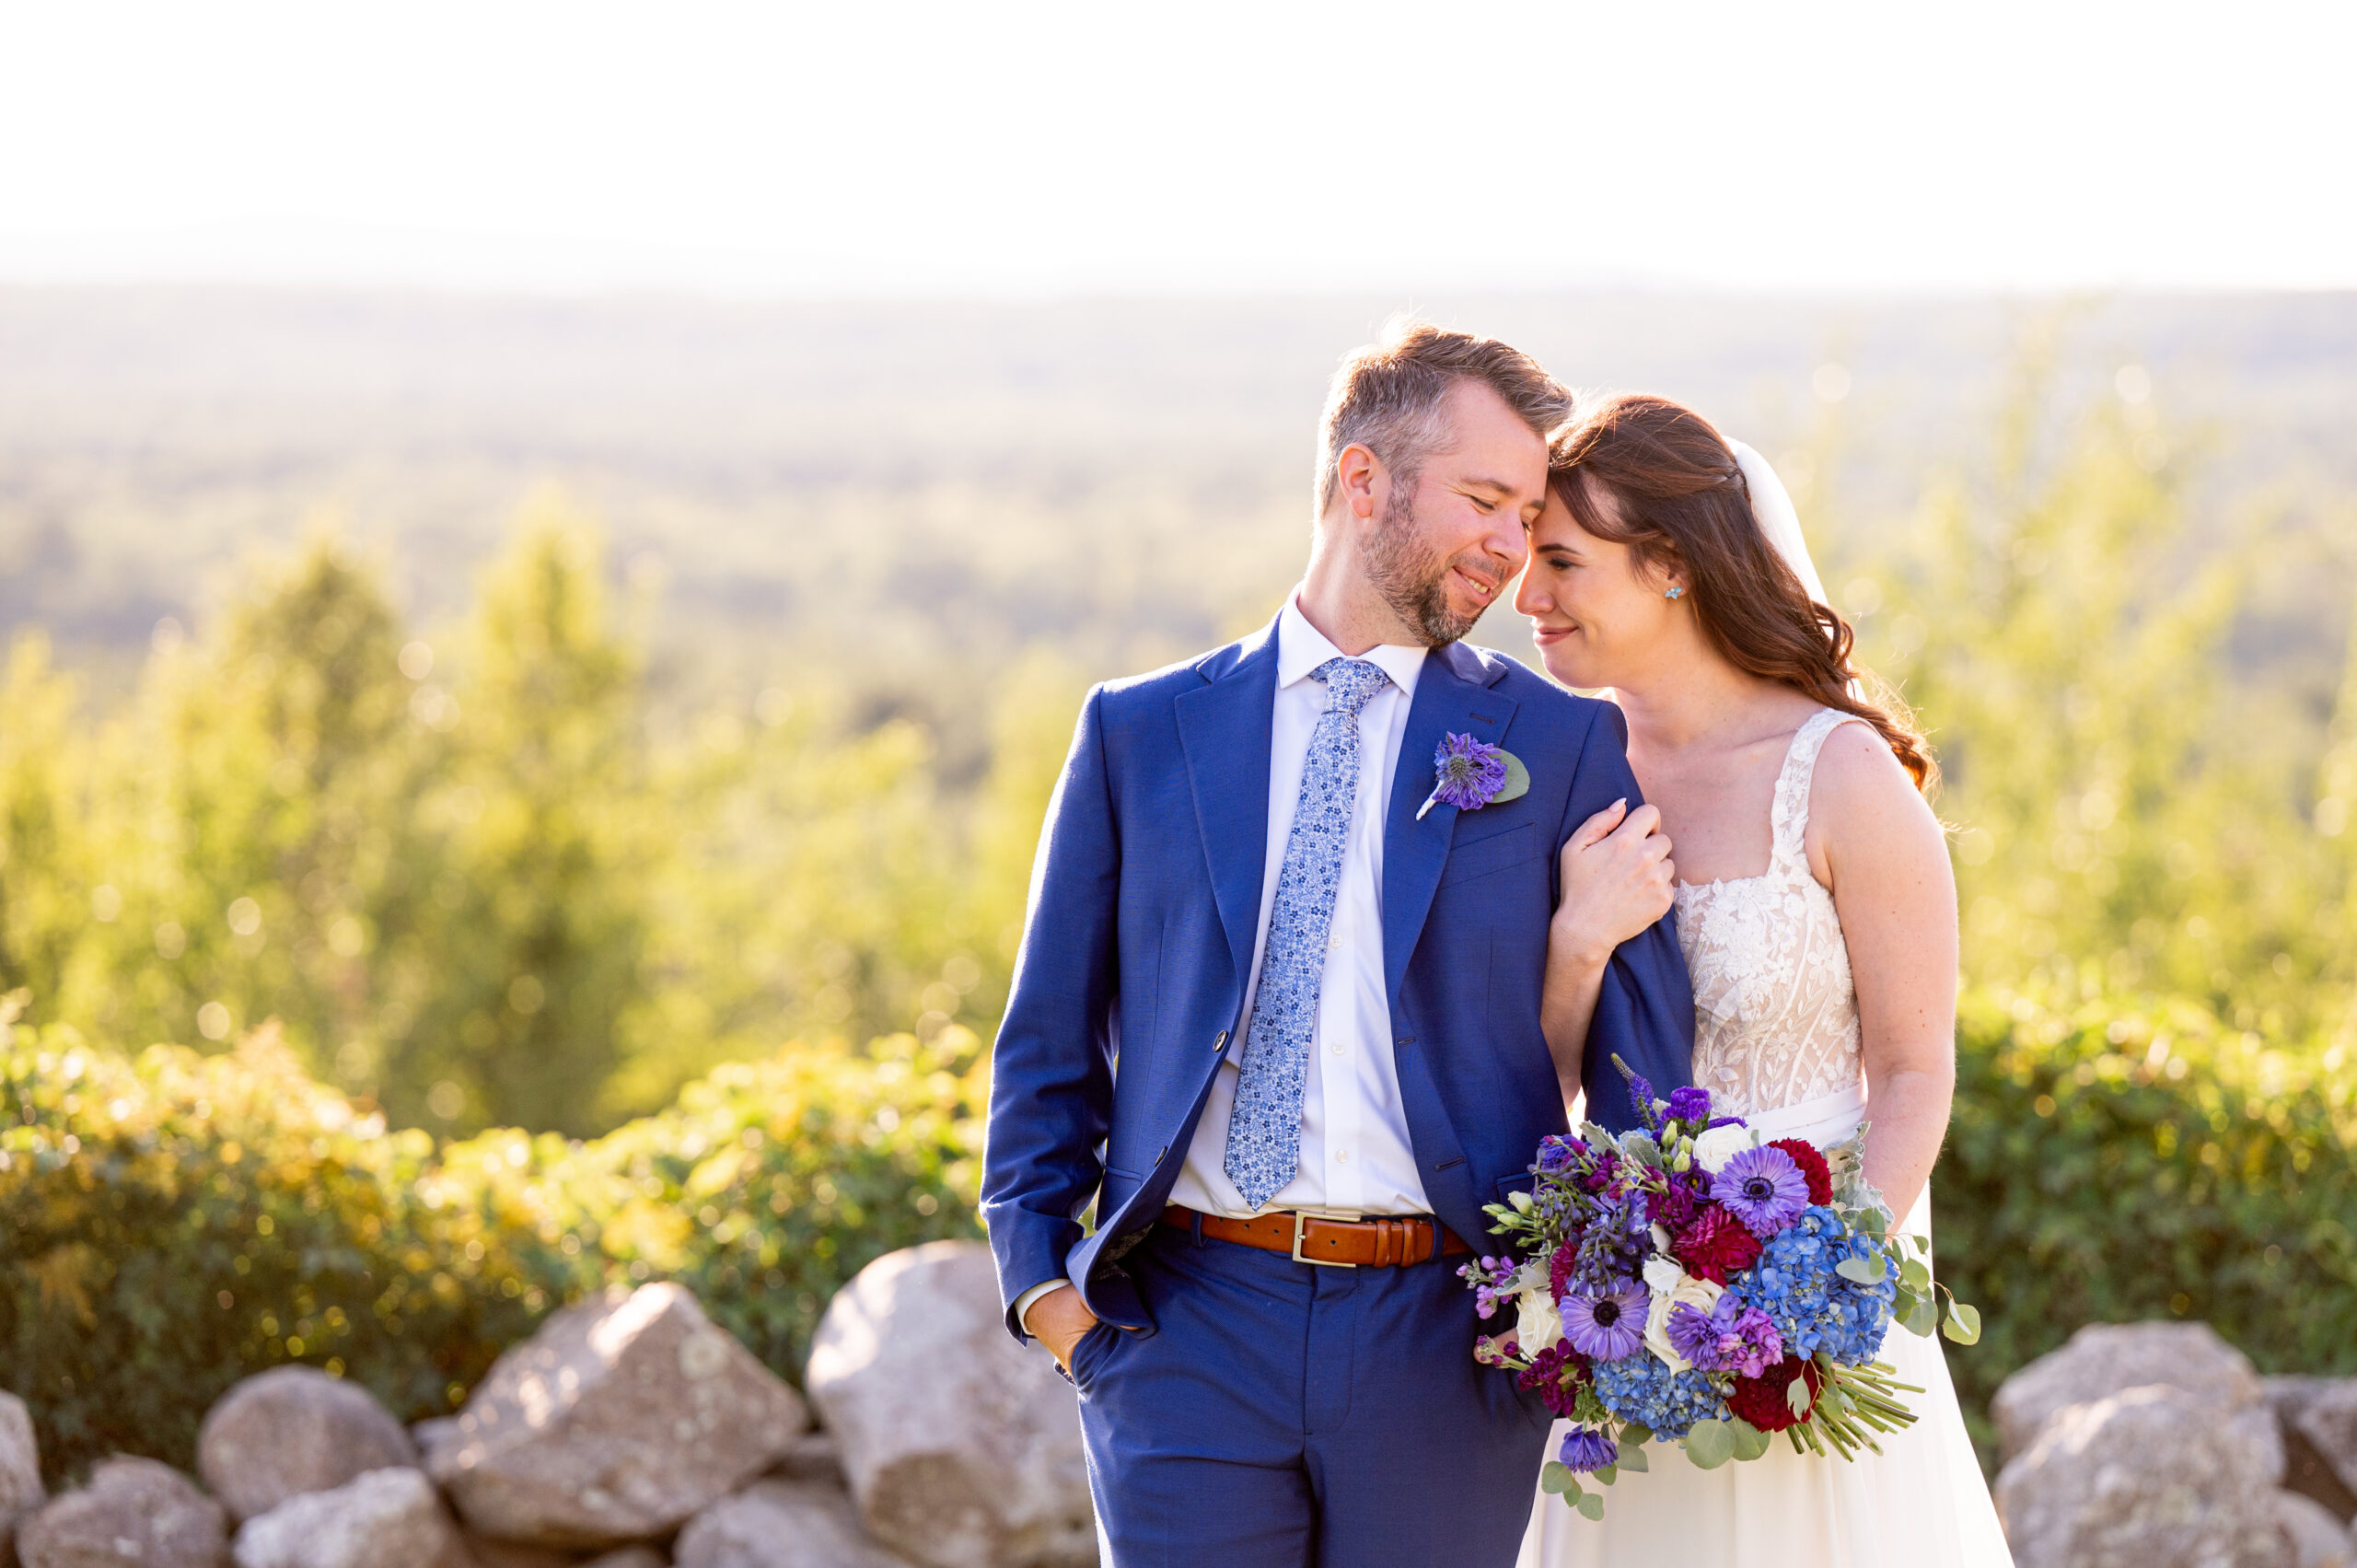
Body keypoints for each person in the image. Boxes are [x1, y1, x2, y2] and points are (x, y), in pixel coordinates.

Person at [980, 321, 1697, 1566]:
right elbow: (1044, 1047)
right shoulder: (1139, 734)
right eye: (1484, 498)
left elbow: (1643, 1074)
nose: (1508, 546)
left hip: (1448, 1337)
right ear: (1364, 480)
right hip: (1186, 1331)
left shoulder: (1564, 744)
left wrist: (1582, 1315)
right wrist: (1055, 1300)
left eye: (1527, 514)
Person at [1512, 392, 2013, 1564]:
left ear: (1671, 567)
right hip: (1619, 1313)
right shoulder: (1563, 774)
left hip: (1809, 1312)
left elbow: (1911, 1068)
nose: (1525, 598)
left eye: (1561, 563)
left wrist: (1816, 1291)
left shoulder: (1839, 779)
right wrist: (1578, 940)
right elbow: (1536, 1079)